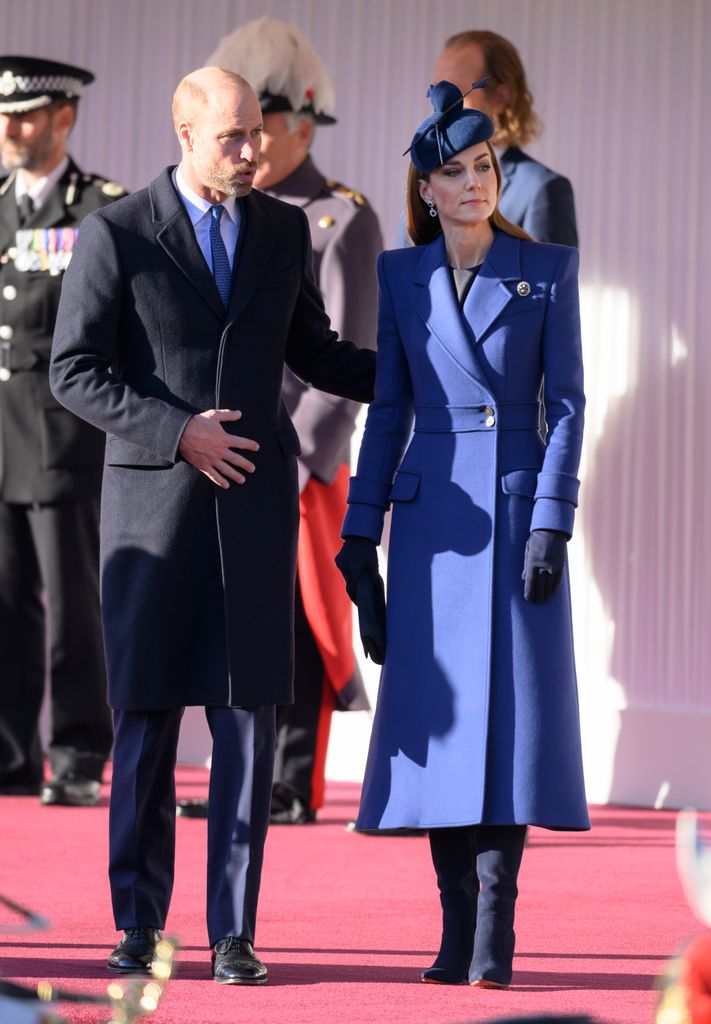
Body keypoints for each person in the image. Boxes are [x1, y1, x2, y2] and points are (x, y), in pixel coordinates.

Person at [49, 67, 374, 985]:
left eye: (256, 133)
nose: (252, 149)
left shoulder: (279, 228)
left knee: (245, 729)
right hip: (152, 518)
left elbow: (312, 349)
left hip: (251, 515)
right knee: (146, 730)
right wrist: (177, 432)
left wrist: (419, 379)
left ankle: (234, 932)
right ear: (185, 132)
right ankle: (138, 926)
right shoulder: (115, 231)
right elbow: (72, 371)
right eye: (232, 136)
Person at [336, 81, 589, 989]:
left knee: (509, 728)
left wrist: (551, 523)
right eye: (453, 172)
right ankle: (452, 927)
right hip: (432, 525)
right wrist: (358, 536)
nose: (474, 183)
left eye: (482, 166)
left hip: (518, 515)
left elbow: (565, 405)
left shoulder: (547, 269)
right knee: (441, 729)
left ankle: (496, 933)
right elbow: (392, 405)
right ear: (427, 190)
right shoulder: (400, 276)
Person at [199, 17, 381, 826]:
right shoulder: (231, 213)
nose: (245, 142)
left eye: (258, 125)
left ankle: (291, 781)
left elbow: (349, 350)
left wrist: (303, 459)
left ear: (299, 124)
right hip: (226, 448)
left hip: (299, 457)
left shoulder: (338, 218)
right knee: (232, 612)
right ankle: (235, 775)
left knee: (307, 619)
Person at [0, 57, 125, 805]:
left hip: (64, 437)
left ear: (63, 118)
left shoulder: (100, 209)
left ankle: (77, 752)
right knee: (4, 603)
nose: (10, 130)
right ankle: (11, 753)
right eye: (2, 117)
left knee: (73, 608)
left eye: (25, 115)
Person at [432, 30, 578, 245]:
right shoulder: (425, 181)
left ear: (500, 98)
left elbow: (552, 278)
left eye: (456, 93)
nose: (440, 108)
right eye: (436, 93)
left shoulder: (541, 191)